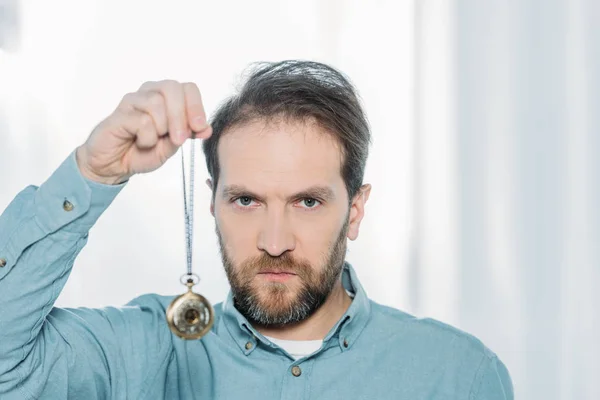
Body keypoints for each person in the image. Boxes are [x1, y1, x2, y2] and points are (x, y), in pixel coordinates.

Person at [0, 60, 513, 399]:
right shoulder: (147, 349)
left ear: (355, 211)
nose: (274, 241)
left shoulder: (458, 375)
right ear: (213, 205)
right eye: (246, 200)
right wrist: (93, 172)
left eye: (307, 202)